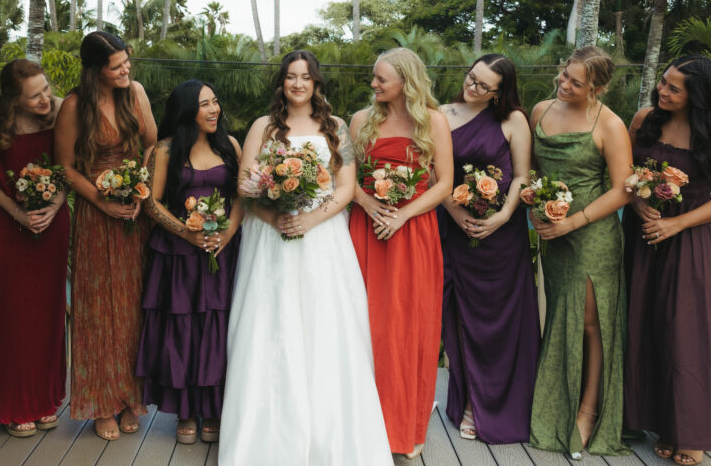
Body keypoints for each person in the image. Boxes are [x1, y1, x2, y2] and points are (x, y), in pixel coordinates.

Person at [219, 50, 392, 466]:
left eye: (305, 77)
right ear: (282, 82)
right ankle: (267, 434)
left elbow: (346, 186)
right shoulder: (263, 126)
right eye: (291, 77)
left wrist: (310, 219)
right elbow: (245, 185)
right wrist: (274, 216)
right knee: (271, 322)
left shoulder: (336, 127)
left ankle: (329, 433)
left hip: (323, 236)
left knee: (325, 322)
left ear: (316, 83)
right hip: (271, 236)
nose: (298, 84)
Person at [624, 56, 711, 466]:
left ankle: (690, 432)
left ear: (698, 96)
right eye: (664, 82)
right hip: (643, 235)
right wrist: (638, 204)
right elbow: (624, 175)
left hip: (691, 239)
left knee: (687, 333)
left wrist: (677, 225)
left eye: (674, 89)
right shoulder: (644, 120)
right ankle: (656, 422)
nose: (663, 91)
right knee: (643, 324)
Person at [349, 47, 454, 459]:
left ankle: (404, 427)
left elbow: (444, 184)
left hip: (413, 234)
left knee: (408, 326)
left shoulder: (434, 121)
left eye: (381, 79)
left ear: (406, 83)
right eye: (374, 77)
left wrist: (402, 215)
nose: (373, 84)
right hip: (366, 231)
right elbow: (345, 177)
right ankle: (362, 426)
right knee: (366, 324)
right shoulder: (360, 121)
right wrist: (368, 204)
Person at [528, 46, 633, 458]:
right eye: (564, 75)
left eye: (576, 82)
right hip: (553, 236)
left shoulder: (610, 124)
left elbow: (622, 190)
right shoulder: (540, 111)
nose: (564, 84)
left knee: (591, 324)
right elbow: (534, 173)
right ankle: (556, 404)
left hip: (592, 236)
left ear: (597, 88)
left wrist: (572, 222)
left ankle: (588, 411)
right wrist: (534, 204)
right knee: (560, 316)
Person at [54, 31, 157, 440]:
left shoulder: (136, 93)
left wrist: (139, 188)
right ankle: (101, 402)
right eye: (117, 66)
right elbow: (65, 166)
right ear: (96, 70)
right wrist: (102, 200)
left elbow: (152, 144)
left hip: (134, 213)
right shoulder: (74, 106)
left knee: (133, 307)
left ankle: (131, 396)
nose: (126, 69)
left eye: (127, 61)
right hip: (96, 216)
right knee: (98, 310)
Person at [436, 54, 539, 443]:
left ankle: (490, 406)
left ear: (499, 92)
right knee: (458, 319)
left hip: (502, 238)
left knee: (498, 324)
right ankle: (466, 400)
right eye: (471, 77)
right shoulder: (442, 115)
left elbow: (522, 176)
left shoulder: (513, 120)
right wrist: (455, 210)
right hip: (454, 229)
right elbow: (434, 173)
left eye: (483, 85)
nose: (472, 87)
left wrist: (504, 215)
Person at [136, 80, 243, 444]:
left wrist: (227, 234)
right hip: (178, 256)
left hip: (223, 252)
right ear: (186, 111)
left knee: (218, 327)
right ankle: (185, 411)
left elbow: (241, 197)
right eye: (204, 104)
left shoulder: (230, 145)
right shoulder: (165, 149)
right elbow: (151, 202)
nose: (214, 110)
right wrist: (187, 232)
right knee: (182, 329)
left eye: (215, 102)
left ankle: (213, 407)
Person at [0, 59, 69, 437]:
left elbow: (70, 169)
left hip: (51, 224)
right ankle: (13, 405)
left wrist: (53, 207)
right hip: (7, 227)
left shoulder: (61, 109)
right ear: (12, 99)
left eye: (46, 89)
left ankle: (44, 400)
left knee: (47, 313)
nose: (45, 99)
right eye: (34, 96)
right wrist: (19, 215)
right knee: (10, 315)